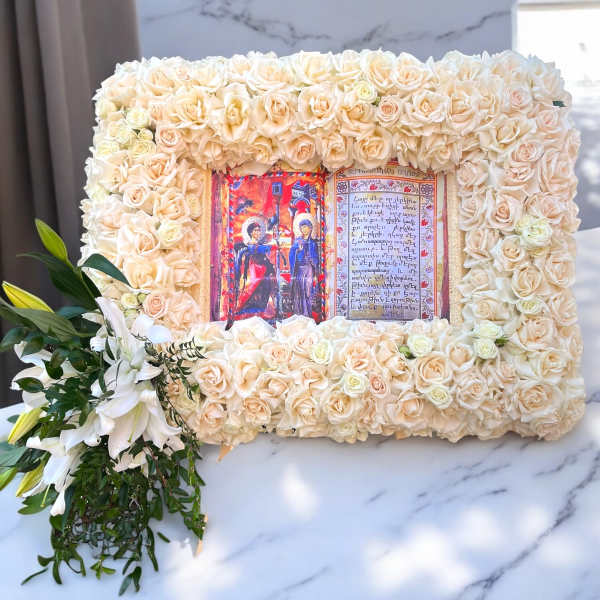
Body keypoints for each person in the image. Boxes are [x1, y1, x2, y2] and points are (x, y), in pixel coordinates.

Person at [235, 220, 276, 316]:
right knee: (252, 292)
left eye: (259, 230)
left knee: (263, 292)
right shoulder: (249, 245)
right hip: (254, 271)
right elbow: (254, 253)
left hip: (263, 272)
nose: (258, 232)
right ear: (251, 232)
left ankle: (260, 312)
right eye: (255, 230)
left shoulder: (260, 245)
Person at [289, 215, 319, 317]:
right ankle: (299, 313)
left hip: (309, 269)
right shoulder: (297, 241)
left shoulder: (313, 242)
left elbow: (316, 258)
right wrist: (298, 250)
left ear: (310, 228)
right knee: (299, 291)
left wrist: (312, 259)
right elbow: (292, 254)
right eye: (302, 227)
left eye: (305, 227)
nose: (304, 229)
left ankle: (307, 314)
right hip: (299, 270)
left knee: (308, 290)